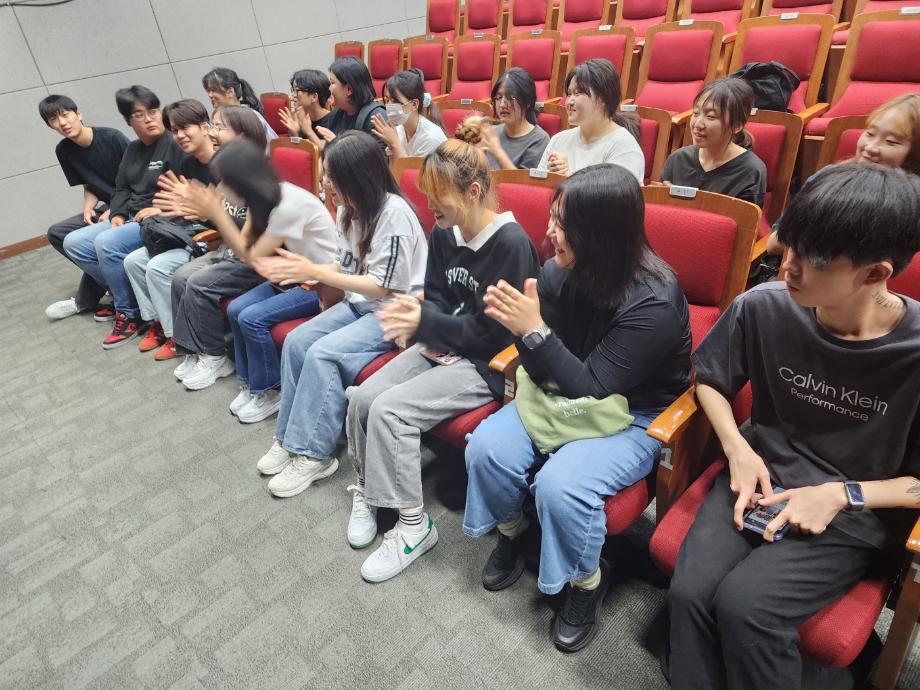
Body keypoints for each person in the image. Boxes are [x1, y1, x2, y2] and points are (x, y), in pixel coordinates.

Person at [666, 163, 920, 690]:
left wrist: (842, 495)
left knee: (747, 608)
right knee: (689, 594)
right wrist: (736, 447)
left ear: (875, 273)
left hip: (850, 513)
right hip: (757, 477)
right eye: (791, 245)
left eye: (814, 259)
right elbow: (710, 381)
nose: (789, 267)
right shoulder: (765, 305)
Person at [464, 164, 691, 652]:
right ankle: (513, 531)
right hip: (562, 387)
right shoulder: (558, 270)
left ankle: (586, 583)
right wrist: (526, 331)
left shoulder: (654, 301)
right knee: (486, 448)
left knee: (561, 486)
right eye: (553, 216)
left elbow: (593, 387)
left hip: (634, 412)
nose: (549, 231)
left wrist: (533, 331)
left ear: (600, 234)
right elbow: (545, 360)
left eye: (563, 224)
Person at [345, 140, 540, 583]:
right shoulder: (444, 231)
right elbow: (434, 295)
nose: (430, 206)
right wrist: (420, 323)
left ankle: (414, 528)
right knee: (362, 398)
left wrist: (426, 323)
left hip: (486, 364)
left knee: (390, 411)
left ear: (473, 192)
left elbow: (496, 335)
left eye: (439, 196)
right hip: (444, 345)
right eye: (427, 195)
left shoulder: (511, 244)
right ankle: (372, 493)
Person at [250, 130, 427, 499]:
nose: (325, 182)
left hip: (395, 312)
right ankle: (288, 438)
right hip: (359, 303)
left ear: (357, 177)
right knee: (297, 341)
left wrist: (316, 272)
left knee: (322, 353)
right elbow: (344, 265)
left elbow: (382, 286)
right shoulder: (348, 208)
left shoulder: (394, 215)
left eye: (332, 176)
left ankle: (314, 454)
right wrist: (311, 270)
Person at [62, 85, 186, 349]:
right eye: (140, 115)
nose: (149, 119)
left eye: (153, 111)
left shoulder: (176, 144)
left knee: (106, 243)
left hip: (160, 218)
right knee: (74, 242)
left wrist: (160, 209)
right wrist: (117, 213)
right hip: (131, 214)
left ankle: (128, 312)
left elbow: (191, 189)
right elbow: (121, 188)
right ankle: (133, 299)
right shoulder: (133, 150)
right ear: (129, 121)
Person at [164, 108, 268, 367]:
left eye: (219, 127)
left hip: (255, 258)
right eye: (213, 126)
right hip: (231, 250)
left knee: (198, 283)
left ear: (242, 137)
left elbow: (253, 238)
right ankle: (192, 351)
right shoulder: (227, 173)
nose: (212, 133)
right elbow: (224, 220)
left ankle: (214, 356)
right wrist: (202, 211)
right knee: (180, 277)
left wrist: (213, 214)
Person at [766, 92, 920, 255]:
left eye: (891, 142)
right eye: (869, 134)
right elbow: (776, 242)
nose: (870, 147)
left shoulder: (910, 206)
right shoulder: (829, 177)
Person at [122, 99, 216, 356]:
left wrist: (195, 212)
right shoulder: (187, 164)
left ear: (205, 127)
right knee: (133, 261)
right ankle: (160, 323)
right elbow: (182, 206)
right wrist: (173, 211)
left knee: (157, 267)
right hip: (190, 229)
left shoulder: (224, 163)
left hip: (209, 236)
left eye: (186, 128)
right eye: (175, 130)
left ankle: (177, 335)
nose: (180, 135)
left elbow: (229, 216)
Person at [41, 95, 130, 321]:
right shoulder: (63, 150)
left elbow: (138, 179)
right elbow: (89, 185)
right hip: (107, 206)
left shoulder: (112, 138)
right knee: (57, 233)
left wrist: (116, 208)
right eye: (54, 119)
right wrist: (88, 207)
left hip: (132, 202)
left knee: (88, 241)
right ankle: (114, 285)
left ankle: (86, 300)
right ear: (50, 126)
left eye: (65, 114)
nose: (62, 122)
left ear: (78, 113)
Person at [658, 78, 767, 207]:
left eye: (710, 116)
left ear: (736, 126)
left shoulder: (751, 171)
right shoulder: (678, 159)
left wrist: (680, 201)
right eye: (696, 113)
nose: (697, 124)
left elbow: (741, 219)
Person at [537, 59, 643, 182]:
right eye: (569, 94)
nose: (569, 101)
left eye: (578, 93)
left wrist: (569, 177)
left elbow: (615, 194)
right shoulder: (558, 140)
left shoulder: (624, 147)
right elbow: (538, 187)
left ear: (603, 98)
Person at [477, 67, 550, 170]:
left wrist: (498, 152)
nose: (502, 104)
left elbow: (522, 180)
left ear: (528, 102)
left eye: (510, 97)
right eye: (499, 97)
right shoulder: (491, 133)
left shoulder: (539, 140)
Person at [370, 68, 446, 159]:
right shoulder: (399, 130)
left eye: (395, 101)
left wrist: (395, 144)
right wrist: (391, 145)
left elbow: (409, 168)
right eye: (388, 100)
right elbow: (393, 168)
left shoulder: (430, 138)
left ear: (414, 104)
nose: (389, 106)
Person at [317, 57, 386, 150]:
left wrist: (337, 145)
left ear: (349, 89)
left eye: (332, 83)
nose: (329, 88)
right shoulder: (336, 114)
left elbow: (377, 157)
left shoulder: (376, 118)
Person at [201, 67, 277, 145]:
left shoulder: (250, 116)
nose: (210, 95)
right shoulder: (217, 117)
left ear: (230, 92)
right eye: (208, 91)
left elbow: (273, 145)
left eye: (213, 90)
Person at [279, 69, 333, 150]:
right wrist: (295, 134)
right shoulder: (300, 119)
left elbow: (330, 154)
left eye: (297, 91)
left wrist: (308, 131)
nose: (291, 96)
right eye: (292, 90)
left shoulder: (334, 120)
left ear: (314, 97)